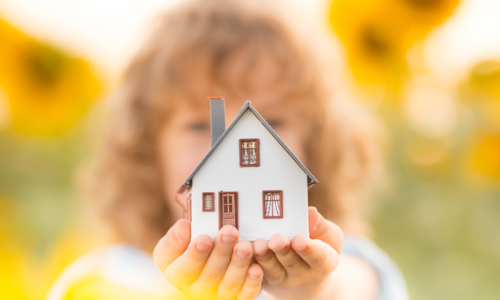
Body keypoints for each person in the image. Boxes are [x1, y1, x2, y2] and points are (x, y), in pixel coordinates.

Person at [48, 0, 409, 299]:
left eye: (272, 122)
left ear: (317, 146)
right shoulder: (109, 274)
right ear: (146, 151)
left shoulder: (346, 264)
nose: (228, 144)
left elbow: (359, 285)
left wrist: (312, 289)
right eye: (200, 125)